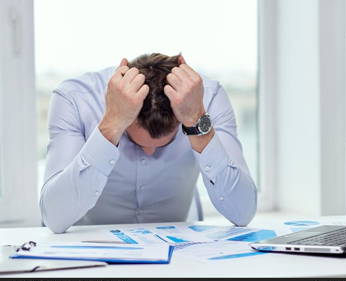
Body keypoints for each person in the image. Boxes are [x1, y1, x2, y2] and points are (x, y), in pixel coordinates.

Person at [39, 53, 257, 233]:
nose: (150, 152)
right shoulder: (75, 98)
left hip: (180, 256)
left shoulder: (207, 98)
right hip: (89, 253)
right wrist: (112, 124)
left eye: (164, 143)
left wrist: (197, 121)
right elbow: (55, 216)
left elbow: (243, 211)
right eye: (135, 140)